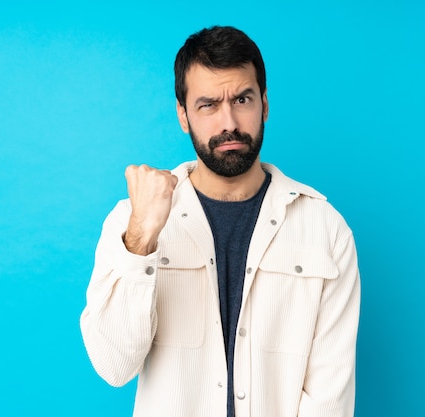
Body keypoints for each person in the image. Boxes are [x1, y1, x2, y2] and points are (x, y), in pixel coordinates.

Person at [80, 25, 361, 417]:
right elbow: (114, 366)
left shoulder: (325, 229)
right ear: (183, 115)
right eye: (208, 104)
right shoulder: (131, 220)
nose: (228, 122)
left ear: (264, 104)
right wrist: (143, 236)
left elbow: (329, 396)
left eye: (242, 99)